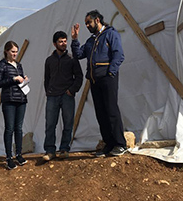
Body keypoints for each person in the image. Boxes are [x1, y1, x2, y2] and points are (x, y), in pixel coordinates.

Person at [71, 9, 127, 157]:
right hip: (94, 81)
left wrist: (110, 72)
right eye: (85, 24)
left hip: (107, 78)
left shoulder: (111, 34)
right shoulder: (91, 40)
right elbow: (78, 54)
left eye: (88, 22)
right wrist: (75, 40)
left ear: (97, 20)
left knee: (111, 111)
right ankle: (108, 144)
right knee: (101, 113)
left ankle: (120, 144)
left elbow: (118, 55)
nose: (87, 26)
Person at [43, 31, 83, 161]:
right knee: (50, 124)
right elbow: (46, 79)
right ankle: (50, 151)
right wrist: (48, 92)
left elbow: (79, 77)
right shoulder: (49, 61)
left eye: (65, 41)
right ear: (55, 44)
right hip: (52, 96)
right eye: (60, 41)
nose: (63, 44)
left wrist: (72, 90)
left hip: (67, 96)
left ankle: (64, 149)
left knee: (68, 123)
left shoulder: (72, 59)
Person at [0, 41, 29, 170]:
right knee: (9, 128)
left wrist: (23, 80)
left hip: (21, 99)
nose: (15, 54)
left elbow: (20, 81)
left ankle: (19, 154)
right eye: (12, 51)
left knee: (19, 128)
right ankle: (9, 157)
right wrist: (13, 79)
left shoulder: (18, 65)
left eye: (16, 51)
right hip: (8, 100)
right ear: (6, 51)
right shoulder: (1, 65)